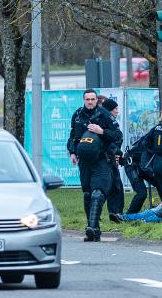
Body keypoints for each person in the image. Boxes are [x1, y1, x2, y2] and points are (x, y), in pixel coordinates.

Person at [67, 89, 122, 242]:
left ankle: (92, 228)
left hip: (102, 159)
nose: (90, 102)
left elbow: (118, 136)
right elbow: (73, 136)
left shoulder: (105, 115)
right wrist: (72, 152)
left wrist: (102, 131)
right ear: (83, 100)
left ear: (97, 100)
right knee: (87, 194)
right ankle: (93, 229)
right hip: (84, 161)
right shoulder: (78, 115)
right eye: (87, 99)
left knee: (98, 193)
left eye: (93, 99)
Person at [100, 98, 125, 221]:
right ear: (109, 110)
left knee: (116, 186)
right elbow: (109, 142)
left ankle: (116, 213)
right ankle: (97, 214)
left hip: (112, 158)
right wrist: (117, 152)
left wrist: (118, 154)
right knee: (108, 186)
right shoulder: (104, 123)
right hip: (106, 159)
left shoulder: (112, 123)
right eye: (115, 109)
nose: (117, 111)